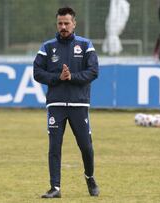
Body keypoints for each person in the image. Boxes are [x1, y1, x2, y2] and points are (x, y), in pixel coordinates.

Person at [33, 6, 99, 198]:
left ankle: (90, 177)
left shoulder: (86, 45)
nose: (63, 26)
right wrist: (58, 78)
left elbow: (93, 71)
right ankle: (55, 188)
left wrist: (72, 77)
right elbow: (37, 73)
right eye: (60, 23)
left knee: (86, 146)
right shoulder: (47, 47)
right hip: (56, 105)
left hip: (79, 104)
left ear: (74, 23)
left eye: (66, 23)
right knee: (54, 146)